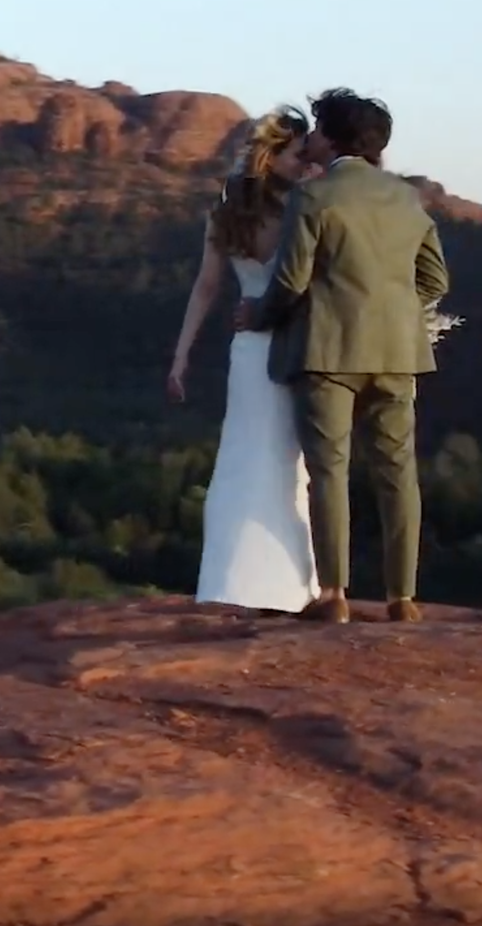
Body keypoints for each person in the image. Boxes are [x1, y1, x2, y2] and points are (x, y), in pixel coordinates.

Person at [233, 89, 449, 624]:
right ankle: (402, 599)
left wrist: (256, 315)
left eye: (316, 129)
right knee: (397, 471)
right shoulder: (407, 199)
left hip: (327, 350)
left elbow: (291, 282)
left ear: (331, 138)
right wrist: (393, 308)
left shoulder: (313, 197)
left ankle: (334, 595)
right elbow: (435, 280)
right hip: (397, 352)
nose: (309, 138)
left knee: (329, 469)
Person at [167, 107, 324, 615]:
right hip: (292, 344)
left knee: (243, 455)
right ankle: (289, 587)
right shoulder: (305, 208)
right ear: (271, 156)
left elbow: (207, 287)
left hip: (248, 350)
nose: (306, 162)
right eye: (298, 153)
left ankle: (230, 580)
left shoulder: (226, 213)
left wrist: (182, 354)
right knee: (286, 460)